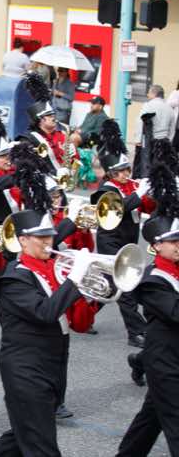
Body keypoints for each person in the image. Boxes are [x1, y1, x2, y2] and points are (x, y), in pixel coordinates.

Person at [0, 207, 98, 457]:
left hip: (53, 364)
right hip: (25, 368)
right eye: (41, 237)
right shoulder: (14, 278)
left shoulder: (56, 269)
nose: (48, 241)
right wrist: (74, 280)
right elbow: (45, 312)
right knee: (41, 444)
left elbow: (80, 324)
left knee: (23, 434)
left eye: (50, 235)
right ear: (23, 240)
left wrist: (89, 290)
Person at [117, 176, 179, 456]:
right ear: (156, 246)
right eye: (172, 241)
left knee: (150, 419)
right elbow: (175, 313)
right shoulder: (152, 280)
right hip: (165, 361)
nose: (178, 245)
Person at [93, 120, 154, 348]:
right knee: (125, 287)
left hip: (128, 241)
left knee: (109, 287)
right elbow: (121, 208)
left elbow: (145, 208)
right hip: (110, 241)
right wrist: (139, 193)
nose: (126, 174)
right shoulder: (105, 190)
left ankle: (82, 313)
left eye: (127, 169)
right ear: (111, 173)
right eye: (120, 171)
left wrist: (154, 191)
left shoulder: (130, 185)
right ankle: (136, 332)